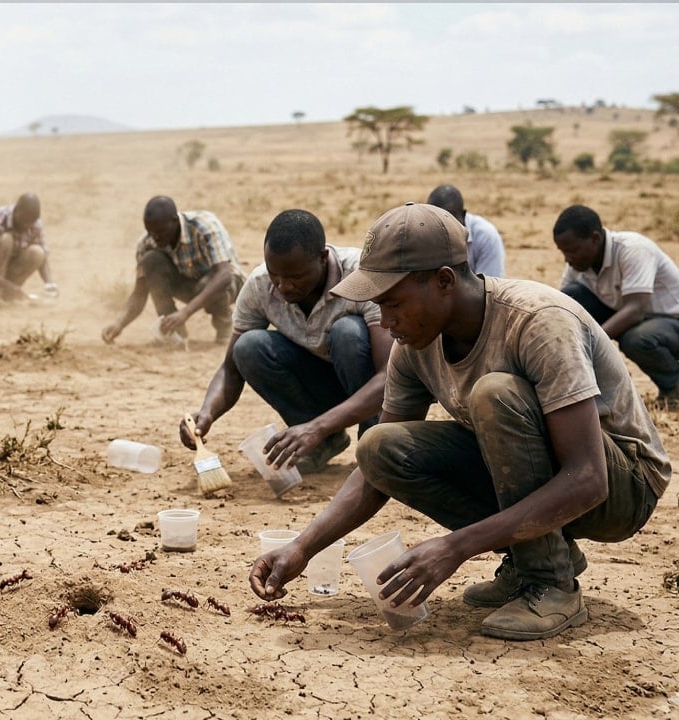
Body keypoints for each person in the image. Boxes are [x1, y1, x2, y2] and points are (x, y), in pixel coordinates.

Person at [249, 202, 668, 640]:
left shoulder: (537, 322)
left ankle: (550, 582)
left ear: (444, 281)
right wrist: (302, 547)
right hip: (557, 476)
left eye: (393, 304)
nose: (386, 322)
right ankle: (534, 556)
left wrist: (455, 548)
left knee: (495, 394)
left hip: (623, 486)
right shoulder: (413, 343)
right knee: (379, 446)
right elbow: (374, 472)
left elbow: (588, 479)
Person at [182, 209, 392, 474]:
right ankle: (323, 442)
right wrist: (207, 413)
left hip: (367, 386)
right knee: (248, 347)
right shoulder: (259, 285)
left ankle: (373, 440)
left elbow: (388, 377)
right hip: (321, 384)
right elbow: (230, 369)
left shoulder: (361, 277)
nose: (283, 286)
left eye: (295, 277)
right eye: (275, 275)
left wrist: (318, 426)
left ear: (323, 258)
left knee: (347, 332)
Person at [553, 204, 679, 408]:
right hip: (629, 316)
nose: (568, 258)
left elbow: (636, 309)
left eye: (573, 250)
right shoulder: (578, 265)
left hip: (669, 321)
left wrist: (591, 344)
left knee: (637, 339)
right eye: (563, 252)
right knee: (571, 299)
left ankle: (674, 387)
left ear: (595, 238)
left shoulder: (633, 249)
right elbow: (563, 306)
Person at [102, 196, 245, 345]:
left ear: (175, 220)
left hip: (228, 285)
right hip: (190, 286)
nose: (156, 237)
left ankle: (225, 330)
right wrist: (119, 324)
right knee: (150, 260)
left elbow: (224, 275)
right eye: (151, 232)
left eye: (161, 231)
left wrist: (185, 312)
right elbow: (139, 293)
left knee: (210, 282)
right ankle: (174, 332)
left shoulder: (204, 225)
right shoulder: (146, 243)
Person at [426, 185, 506, 277]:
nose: (444, 229)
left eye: (450, 220)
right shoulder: (422, 233)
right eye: (437, 222)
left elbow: (490, 287)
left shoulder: (486, 236)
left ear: (463, 215)